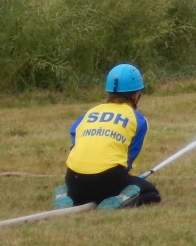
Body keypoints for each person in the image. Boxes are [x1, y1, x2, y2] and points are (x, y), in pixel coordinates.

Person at [54, 64, 162, 209]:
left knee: (85, 192)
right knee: (151, 193)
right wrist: (128, 180)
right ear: (136, 94)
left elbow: (74, 139)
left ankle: (69, 195)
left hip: (73, 179)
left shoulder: (90, 113)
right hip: (108, 180)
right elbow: (130, 160)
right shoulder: (138, 120)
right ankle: (120, 199)